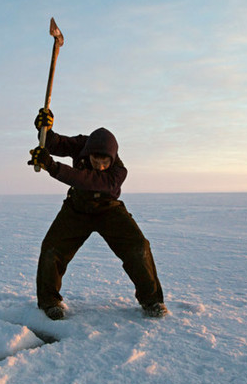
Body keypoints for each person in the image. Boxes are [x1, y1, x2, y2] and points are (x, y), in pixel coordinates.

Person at [28, 108, 168, 320]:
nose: (101, 166)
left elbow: (87, 180)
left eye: (105, 162)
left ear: (112, 158)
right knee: (51, 250)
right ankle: (49, 302)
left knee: (139, 247)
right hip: (77, 208)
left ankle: (152, 301)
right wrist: (44, 128)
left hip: (109, 210)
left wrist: (53, 166)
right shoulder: (82, 145)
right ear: (88, 152)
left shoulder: (119, 172)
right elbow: (53, 143)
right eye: (95, 160)